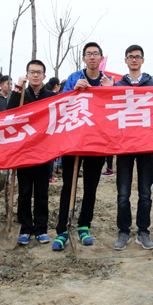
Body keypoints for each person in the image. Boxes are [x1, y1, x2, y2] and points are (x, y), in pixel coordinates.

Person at [52, 42, 113, 251]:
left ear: (101, 58)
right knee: (69, 186)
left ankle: (84, 226)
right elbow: (61, 105)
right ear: (84, 58)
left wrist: (109, 91)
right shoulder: (73, 79)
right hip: (74, 143)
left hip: (97, 143)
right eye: (89, 54)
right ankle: (62, 229)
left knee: (90, 187)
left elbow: (114, 110)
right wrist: (74, 92)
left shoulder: (108, 81)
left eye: (96, 53)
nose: (92, 57)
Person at [112, 44, 153, 250]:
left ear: (142, 60)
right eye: (130, 57)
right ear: (125, 60)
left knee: (145, 193)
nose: (134, 60)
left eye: (137, 57)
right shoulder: (117, 87)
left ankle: (143, 231)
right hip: (124, 146)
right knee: (123, 193)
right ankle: (123, 231)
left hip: (147, 146)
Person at [8, 60, 57, 245]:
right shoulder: (22, 94)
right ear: (26, 75)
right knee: (25, 191)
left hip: (44, 151)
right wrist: (17, 89)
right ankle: (25, 228)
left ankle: (41, 228)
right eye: (32, 72)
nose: (35, 75)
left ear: (44, 76)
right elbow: (9, 113)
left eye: (38, 72)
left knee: (42, 191)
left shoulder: (51, 96)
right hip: (24, 151)